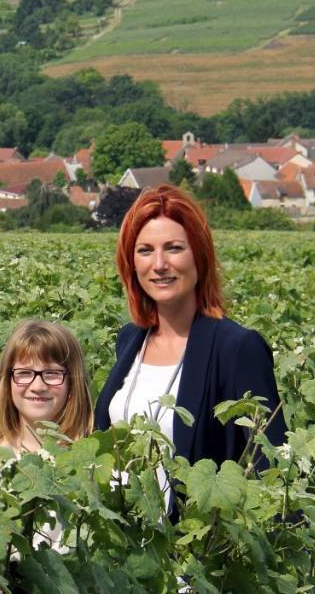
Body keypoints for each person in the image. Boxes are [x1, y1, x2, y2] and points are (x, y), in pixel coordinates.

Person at [93, 184, 286, 497]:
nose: (159, 264)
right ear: (131, 263)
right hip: (125, 538)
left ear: (199, 254)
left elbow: (272, 467)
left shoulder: (237, 348)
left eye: (173, 248)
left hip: (194, 540)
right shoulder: (130, 339)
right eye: (145, 250)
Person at [0, 320, 92, 488]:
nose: (38, 386)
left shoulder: (91, 463)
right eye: (24, 373)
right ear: (7, 383)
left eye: (52, 373)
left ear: (73, 382)